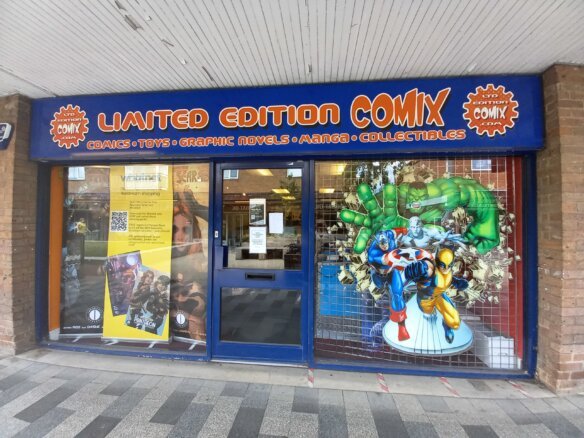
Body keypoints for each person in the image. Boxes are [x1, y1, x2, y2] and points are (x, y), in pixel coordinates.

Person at [404, 248, 469, 343]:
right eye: (442, 265)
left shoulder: (448, 272)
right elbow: (427, 268)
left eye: (449, 265)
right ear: (437, 262)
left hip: (439, 297)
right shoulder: (431, 271)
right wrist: (419, 269)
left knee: (455, 323)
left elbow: (449, 278)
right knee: (429, 316)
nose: (446, 268)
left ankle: (446, 326)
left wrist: (458, 283)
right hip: (426, 301)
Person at [367, 230, 409, 342]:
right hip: (378, 276)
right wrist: (405, 256)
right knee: (380, 292)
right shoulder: (373, 252)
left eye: (386, 242)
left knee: (397, 294)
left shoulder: (389, 235)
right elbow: (387, 259)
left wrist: (404, 230)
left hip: (392, 271)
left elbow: (397, 230)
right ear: (377, 243)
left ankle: (402, 328)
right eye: (382, 244)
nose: (385, 246)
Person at [398, 216, 465, 249]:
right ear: (410, 227)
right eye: (413, 227)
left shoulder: (429, 232)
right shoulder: (404, 236)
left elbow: (441, 238)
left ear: (421, 227)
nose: (415, 230)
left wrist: (441, 241)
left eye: (417, 227)